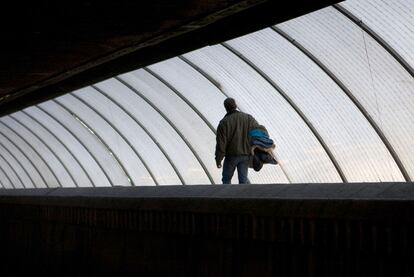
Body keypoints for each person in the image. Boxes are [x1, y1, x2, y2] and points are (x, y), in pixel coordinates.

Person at [215, 97, 260, 184]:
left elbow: (221, 144)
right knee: (243, 181)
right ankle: (245, 197)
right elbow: (258, 132)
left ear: (226, 108)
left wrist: (218, 159)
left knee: (226, 179)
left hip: (231, 155)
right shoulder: (248, 118)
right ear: (235, 105)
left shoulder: (224, 123)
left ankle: (227, 197)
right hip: (245, 155)